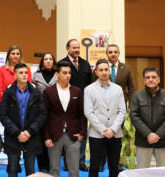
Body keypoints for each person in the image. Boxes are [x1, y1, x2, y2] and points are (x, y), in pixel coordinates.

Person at [93, 44, 135, 172]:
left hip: (119, 109)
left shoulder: (126, 68)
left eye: (115, 52)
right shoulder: (101, 68)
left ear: (119, 53)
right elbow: (93, 87)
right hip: (101, 108)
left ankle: (115, 163)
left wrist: (131, 106)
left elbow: (132, 88)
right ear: (106, 53)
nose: (112, 54)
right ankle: (101, 162)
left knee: (116, 136)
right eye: (110, 52)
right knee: (102, 134)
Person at [0, 63, 46, 177]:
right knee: (12, 170)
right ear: (15, 75)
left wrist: (29, 132)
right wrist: (17, 133)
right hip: (13, 136)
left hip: (31, 137)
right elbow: (4, 116)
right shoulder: (8, 92)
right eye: (21, 73)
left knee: (30, 171)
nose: (24, 75)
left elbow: (42, 115)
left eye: (26, 72)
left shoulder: (36, 91)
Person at [43, 61, 87, 177]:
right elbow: (45, 116)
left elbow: (82, 113)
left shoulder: (76, 91)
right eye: (64, 73)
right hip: (54, 135)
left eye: (69, 73)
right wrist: (46, 136)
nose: (68, 75)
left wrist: (82, 132)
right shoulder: (48, 92)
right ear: (57, 74)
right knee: (54, 170)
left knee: (74, 170)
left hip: (73, 135)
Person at [84, 59, 126, 177]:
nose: (104, 72)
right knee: (94, 168)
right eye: (101, 70)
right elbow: (88, 112)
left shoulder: (118, 89)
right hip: (96, 134)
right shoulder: (89, 89)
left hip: (115, 133)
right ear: (96, 72)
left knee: (114, 168)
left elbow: (122, 111)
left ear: (109, 71)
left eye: (106, 69)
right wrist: (104, 130)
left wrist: (112, 129)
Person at [130, 67, 165, 168]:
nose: (150, 79)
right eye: (147, 77)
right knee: (142, 172)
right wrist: (148, 134)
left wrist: (157, 135)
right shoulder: (137, 96)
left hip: (164, 141)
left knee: (163, 173)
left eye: (154, 77)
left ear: (159, 79)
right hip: (143, 140)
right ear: (144, 80)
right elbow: (134, 116)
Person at [61, 39, 92, 171]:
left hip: (84, 104)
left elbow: (90, 85)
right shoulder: (62, 64)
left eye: (78, 48)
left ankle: (80, 162)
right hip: (67, 104)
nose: (76, 50)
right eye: (74, 48)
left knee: (82, 133)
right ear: (67, 48)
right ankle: (69, 163)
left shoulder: (85, 64)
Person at [32, 53, 57, 173]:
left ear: (53, 62)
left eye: (50, 59)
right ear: (42, 62)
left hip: (55, 111)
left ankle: (53, 165)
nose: (48, 61)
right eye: (45, 59)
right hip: (40, 111)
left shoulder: (58, 74)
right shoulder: (36, 75)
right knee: (41, 139)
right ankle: (42, 165)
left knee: (53, 138)